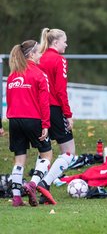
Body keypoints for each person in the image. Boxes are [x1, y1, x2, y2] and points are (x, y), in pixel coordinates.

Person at [6, 40, 55, 207]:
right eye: (39, 52)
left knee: (19, 159)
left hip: (14, 120)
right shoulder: (39, 74)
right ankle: (32, 184)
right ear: (32, 54)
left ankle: (17, 197)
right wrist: (46, 125)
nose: (41, 55)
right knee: (47, 154)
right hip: (32, 119)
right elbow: (44, 102)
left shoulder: (13, 75)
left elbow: (9, 99)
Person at [37, 27, 76, 204]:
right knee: (69, 152)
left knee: (45, 152)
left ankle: (36, 185)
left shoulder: (38, 57)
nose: (66, 44)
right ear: (55, 42)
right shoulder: (59, 60)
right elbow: (61, 90)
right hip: (53, 108)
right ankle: (45, 183)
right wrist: (68, 114)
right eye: (64, 41)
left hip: (38, 109)